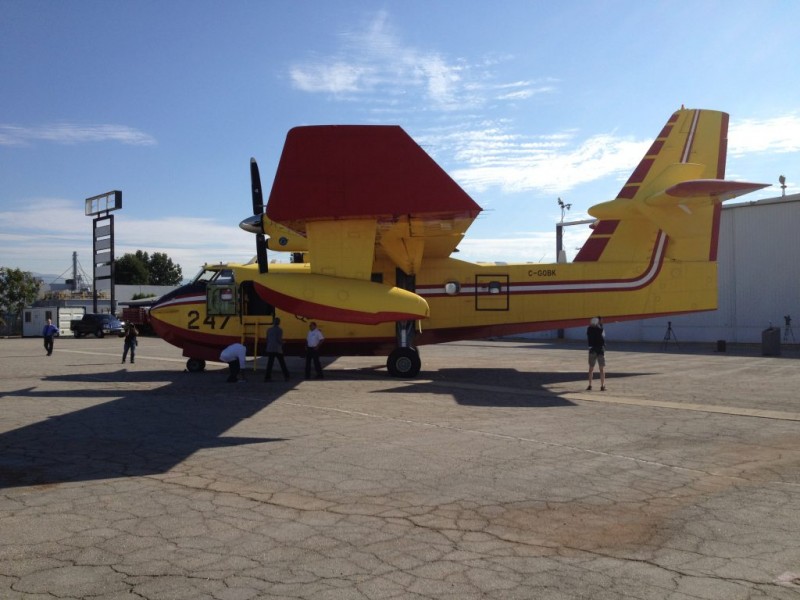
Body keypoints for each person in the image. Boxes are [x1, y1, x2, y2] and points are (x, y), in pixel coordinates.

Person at [586, 316, 606, 391]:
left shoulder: (589, 329)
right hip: (600, 350)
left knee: (591, 369)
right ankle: (602, 386)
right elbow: (603, 337)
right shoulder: (600, 329)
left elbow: (589, 336)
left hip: (592, 350)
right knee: (602, 369)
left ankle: (590, 385)